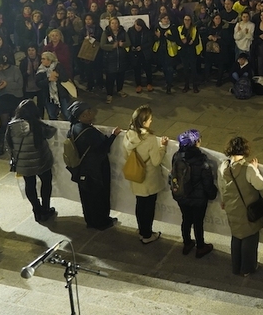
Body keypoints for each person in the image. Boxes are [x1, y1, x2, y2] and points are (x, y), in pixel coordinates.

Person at [69, 101, 122, 230]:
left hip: (82, 170)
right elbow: (103, 147)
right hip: (96, 170)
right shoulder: (90, 132)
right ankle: (102, 221)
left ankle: (90, 220)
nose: (91, 114)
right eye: (88, 113)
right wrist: (113, 136)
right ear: (82, 117)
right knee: (99, 196)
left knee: (87, 197)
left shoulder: (73, 128)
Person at [219, 136, 263, 276]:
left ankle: (236, 266)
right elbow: (260, 184)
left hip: (231, 208)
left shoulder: (223, 166)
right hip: (247, 209)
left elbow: (221, 186)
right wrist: (256, 169)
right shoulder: (248, 169)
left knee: (236, 236)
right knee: (249, 237)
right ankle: (247, 268)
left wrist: (224, 201)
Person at [5, 99, 57, 222]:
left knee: (30, 185)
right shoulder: (37, 125)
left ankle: (36, 209)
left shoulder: (11, 126)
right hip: (41, 161)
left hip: (23, 163)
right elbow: (51, 132)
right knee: (46, 182)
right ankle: (45, 209)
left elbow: (8, 144)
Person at [123, 105, 168, 244]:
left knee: (140, 204)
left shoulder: (128, 135)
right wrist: (163, 147)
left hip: (135, 176)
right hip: (149, 179)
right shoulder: (149, 138)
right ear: (143, 122)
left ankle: (141, 230)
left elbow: (125, 155)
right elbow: (155, 161)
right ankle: (147, 234)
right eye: (149, 120)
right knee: (149, 207)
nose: (151, 122)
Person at [173, 129, 217, 258]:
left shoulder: (177, 156)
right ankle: (200, 247)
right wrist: (212, 194)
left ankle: (187, 243)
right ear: (196, 143)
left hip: (181, 196)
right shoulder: (201, 161)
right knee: (198, 223)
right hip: (198, 199)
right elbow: (207, 182)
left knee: (186, 219)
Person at [0, 54, 23, 155]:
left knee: (15, 122)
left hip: (15, 98)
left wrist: (7, 84)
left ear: (1, 64)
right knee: (3, 123)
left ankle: (15, 146)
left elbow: (20, 84)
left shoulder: (15, 70)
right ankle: (0, 146)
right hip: (3, 98)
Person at [100, 16, 131, 103]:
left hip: (121, 58)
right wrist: (111, 46)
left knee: (121, 76)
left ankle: (119, 90)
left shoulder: (123, 32)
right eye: (112, 23)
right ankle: (109, 94)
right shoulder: (106, 33)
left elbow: (128, 43)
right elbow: (102, 45)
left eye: (116, 23)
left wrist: (123, 44)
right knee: (110, 77)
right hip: (110, 59)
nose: (114, 25)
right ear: (110, 24)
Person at [36, 51, 72, 121]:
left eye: (44, 59)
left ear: (49, 60)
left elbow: (65, 78)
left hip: (61, 94)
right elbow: (38, 83)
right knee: (52, 114)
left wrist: (58, 75)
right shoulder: (41, 70)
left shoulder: (58, 66)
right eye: (41, 59)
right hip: (48, 96)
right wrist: (48, 79)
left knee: (67, 113)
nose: (41, 61)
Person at [177, 14, 203, 93]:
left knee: (193, 69)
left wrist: (192, 42)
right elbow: (178, 40)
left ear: (191, 21)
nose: (187, 21)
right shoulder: (180, 28)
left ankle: (195, 86)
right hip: (184, 51)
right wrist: (184, 42)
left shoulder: (195, 29)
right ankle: (186, 86)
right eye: (185, 20)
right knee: (185, 69)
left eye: (188, 20)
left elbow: (197, 41)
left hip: (192, 51)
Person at [127, 18, 155, 93]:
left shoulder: (147, 31)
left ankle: (149, 83)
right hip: (135, 53)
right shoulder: (130, 31)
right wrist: (131, 46)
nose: (138, 28)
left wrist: (142, 47)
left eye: (139, 27)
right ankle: (138, 84)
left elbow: (150, 42)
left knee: (148, 69)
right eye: (137, 26)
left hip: (145, 53)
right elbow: (128, 40)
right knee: (136, 69)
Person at [153, 14, 179, 93]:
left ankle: (169, 84)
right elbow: (152, 38)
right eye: (164, 18)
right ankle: (167, 81)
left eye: (167, 18)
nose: (166, 20)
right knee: (164, 67)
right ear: (160, 19)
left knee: (169, 68)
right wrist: (157, 36)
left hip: (170, 51)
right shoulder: (157, 27)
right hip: (160, 50)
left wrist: (168, 36)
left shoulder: (173, 27)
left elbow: (176, 38)